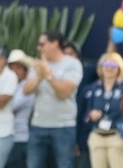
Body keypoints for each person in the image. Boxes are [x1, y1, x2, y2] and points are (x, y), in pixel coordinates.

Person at [23, 31, 84, 168]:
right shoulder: (40, 65)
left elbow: (63, 93)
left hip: (63, 126)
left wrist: (48, 75)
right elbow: (26, 90)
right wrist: (40, 75)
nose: (39, 48)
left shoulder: (72, 64)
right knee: (33, 165)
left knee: (65, 165)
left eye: (42, 44)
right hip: (38, 125)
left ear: (55, 43)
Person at [82, 52, 123, 168]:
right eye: (106, 64)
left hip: (117, 136)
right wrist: (91, 114)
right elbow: (86, 111)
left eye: (113, 65)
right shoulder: (93, 88)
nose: (109, 68)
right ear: (101, 66)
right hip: (97, 136)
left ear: (119, 68)